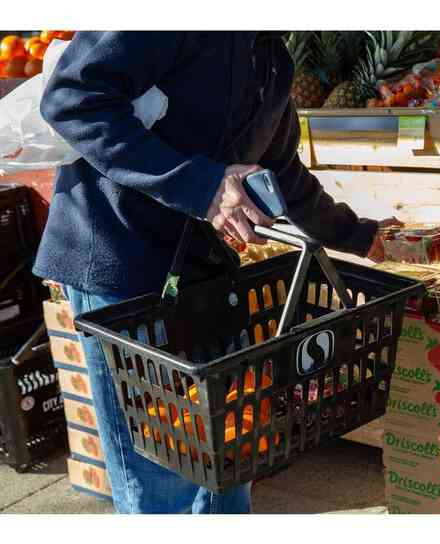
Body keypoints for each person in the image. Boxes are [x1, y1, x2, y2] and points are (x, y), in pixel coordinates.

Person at [34, 31, 392, 514]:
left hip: (204, 271)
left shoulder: (271, 59)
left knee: (230, 457)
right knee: (162, 474)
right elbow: (72, 99)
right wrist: (203, 186)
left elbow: (283, 171)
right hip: (121, 265)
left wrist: (358, 235)